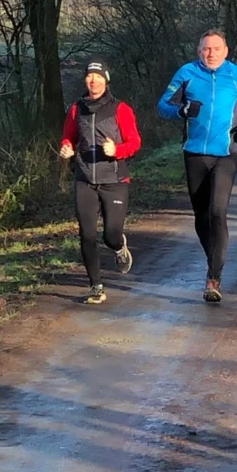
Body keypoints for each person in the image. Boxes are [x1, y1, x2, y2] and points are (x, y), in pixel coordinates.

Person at [157, 29, 237, 303]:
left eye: (216, 48)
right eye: (206, 49)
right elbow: (163, 105)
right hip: (194, 153)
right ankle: (213, 259)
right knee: (201, 216)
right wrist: (181, 110)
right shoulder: (187, 73)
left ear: (226, 51)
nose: (211, 53)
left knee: (218, 211)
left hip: (226, 153)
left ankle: (214, 276)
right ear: (199, 51)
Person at [59, 58, 142, 304]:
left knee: (111, 234)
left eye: (97, 76)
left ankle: (118, 246)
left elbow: (134, 142)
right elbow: (68, 136)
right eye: (89, 76)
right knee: (87, 234)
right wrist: (66, 147)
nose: (93, 80)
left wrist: (116, 150)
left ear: (106, 80)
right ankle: (95, 286)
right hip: (85, 178)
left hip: (114, 179)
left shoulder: (120, 109)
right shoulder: (76, 109)